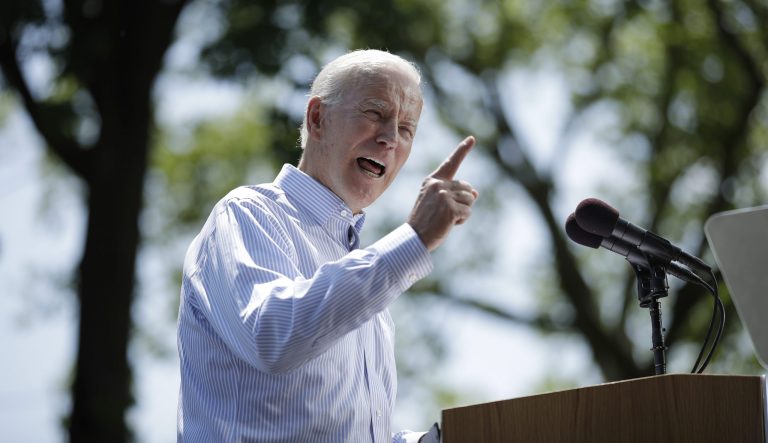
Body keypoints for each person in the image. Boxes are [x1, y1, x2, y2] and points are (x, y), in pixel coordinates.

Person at [177, 49, 478, 442]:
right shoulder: (247, 214)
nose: (389, 138)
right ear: (318, 118)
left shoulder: (362, 279)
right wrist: (414, 239)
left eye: (407, 128)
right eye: (375, 113)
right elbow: (273, 337)